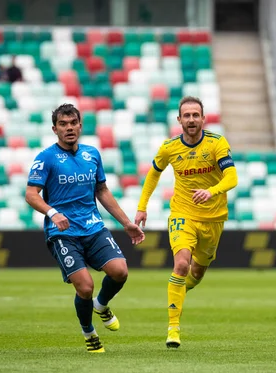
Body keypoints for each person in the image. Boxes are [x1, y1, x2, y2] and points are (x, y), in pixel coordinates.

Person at [25, 104, 145, 353]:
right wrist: (53, 212)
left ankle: (101, 305)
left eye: (72, 123)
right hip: (63, 233)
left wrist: (126, 223)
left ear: (80, 125)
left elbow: (101, 190)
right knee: (86, 286)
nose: (68, 128)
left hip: (93, 227)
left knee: (120, 271)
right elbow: (30, 194)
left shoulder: (92, 154)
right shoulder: (46, 158)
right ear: (54, 129)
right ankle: (89, 332)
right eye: (63, 124)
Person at [135, 96, 238, 348]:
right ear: (179, 120)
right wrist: (141, 207)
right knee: (181, 264)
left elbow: (232, 177)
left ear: (203, 118)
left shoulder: (216, 144)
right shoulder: (169, 148)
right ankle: (173, 328)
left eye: (196, 115)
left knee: (197, 272)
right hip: (182, 214)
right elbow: (153, 175)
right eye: (187, 115)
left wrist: (211, 191)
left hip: (213, 218)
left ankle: (179, 292)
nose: (191, 120)